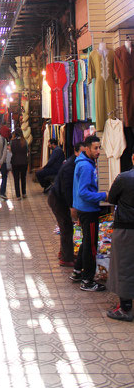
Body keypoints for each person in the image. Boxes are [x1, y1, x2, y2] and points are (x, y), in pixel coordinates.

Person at [70, 135, 107, 291]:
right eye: (95, 148)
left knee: (86, 242)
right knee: (91, 246)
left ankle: (78, 272)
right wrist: (103, 195)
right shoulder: (86, 166)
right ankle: (88, 281)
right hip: (88, 209)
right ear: (87, 148)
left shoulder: (85, 163)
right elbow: (83, 192)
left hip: (84, 208)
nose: (98, 151)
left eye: (99, 147)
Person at [106, 147, 134, 321]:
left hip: (126, 228)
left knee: (124, 266)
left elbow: (111, 199)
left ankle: (125, 307)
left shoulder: (124, 178)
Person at [47, 141, 85, 266]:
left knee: (66, 226)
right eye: (82, 152)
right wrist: (72, 206)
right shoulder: (71, 166)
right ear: (76, 152)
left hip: (59, 198)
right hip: (57, 199)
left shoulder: (75, 163)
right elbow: (66, 188)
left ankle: (64, 253)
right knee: (66, 227)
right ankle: (66, 258)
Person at [10, 128, 28, 200]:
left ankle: (18, 195)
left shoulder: (12, 142)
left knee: (16, 179)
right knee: (23, 178)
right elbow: (27, 150)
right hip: (24, 161)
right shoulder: (25, 141)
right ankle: (24, 193)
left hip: (15, 162)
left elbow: (11, 151)